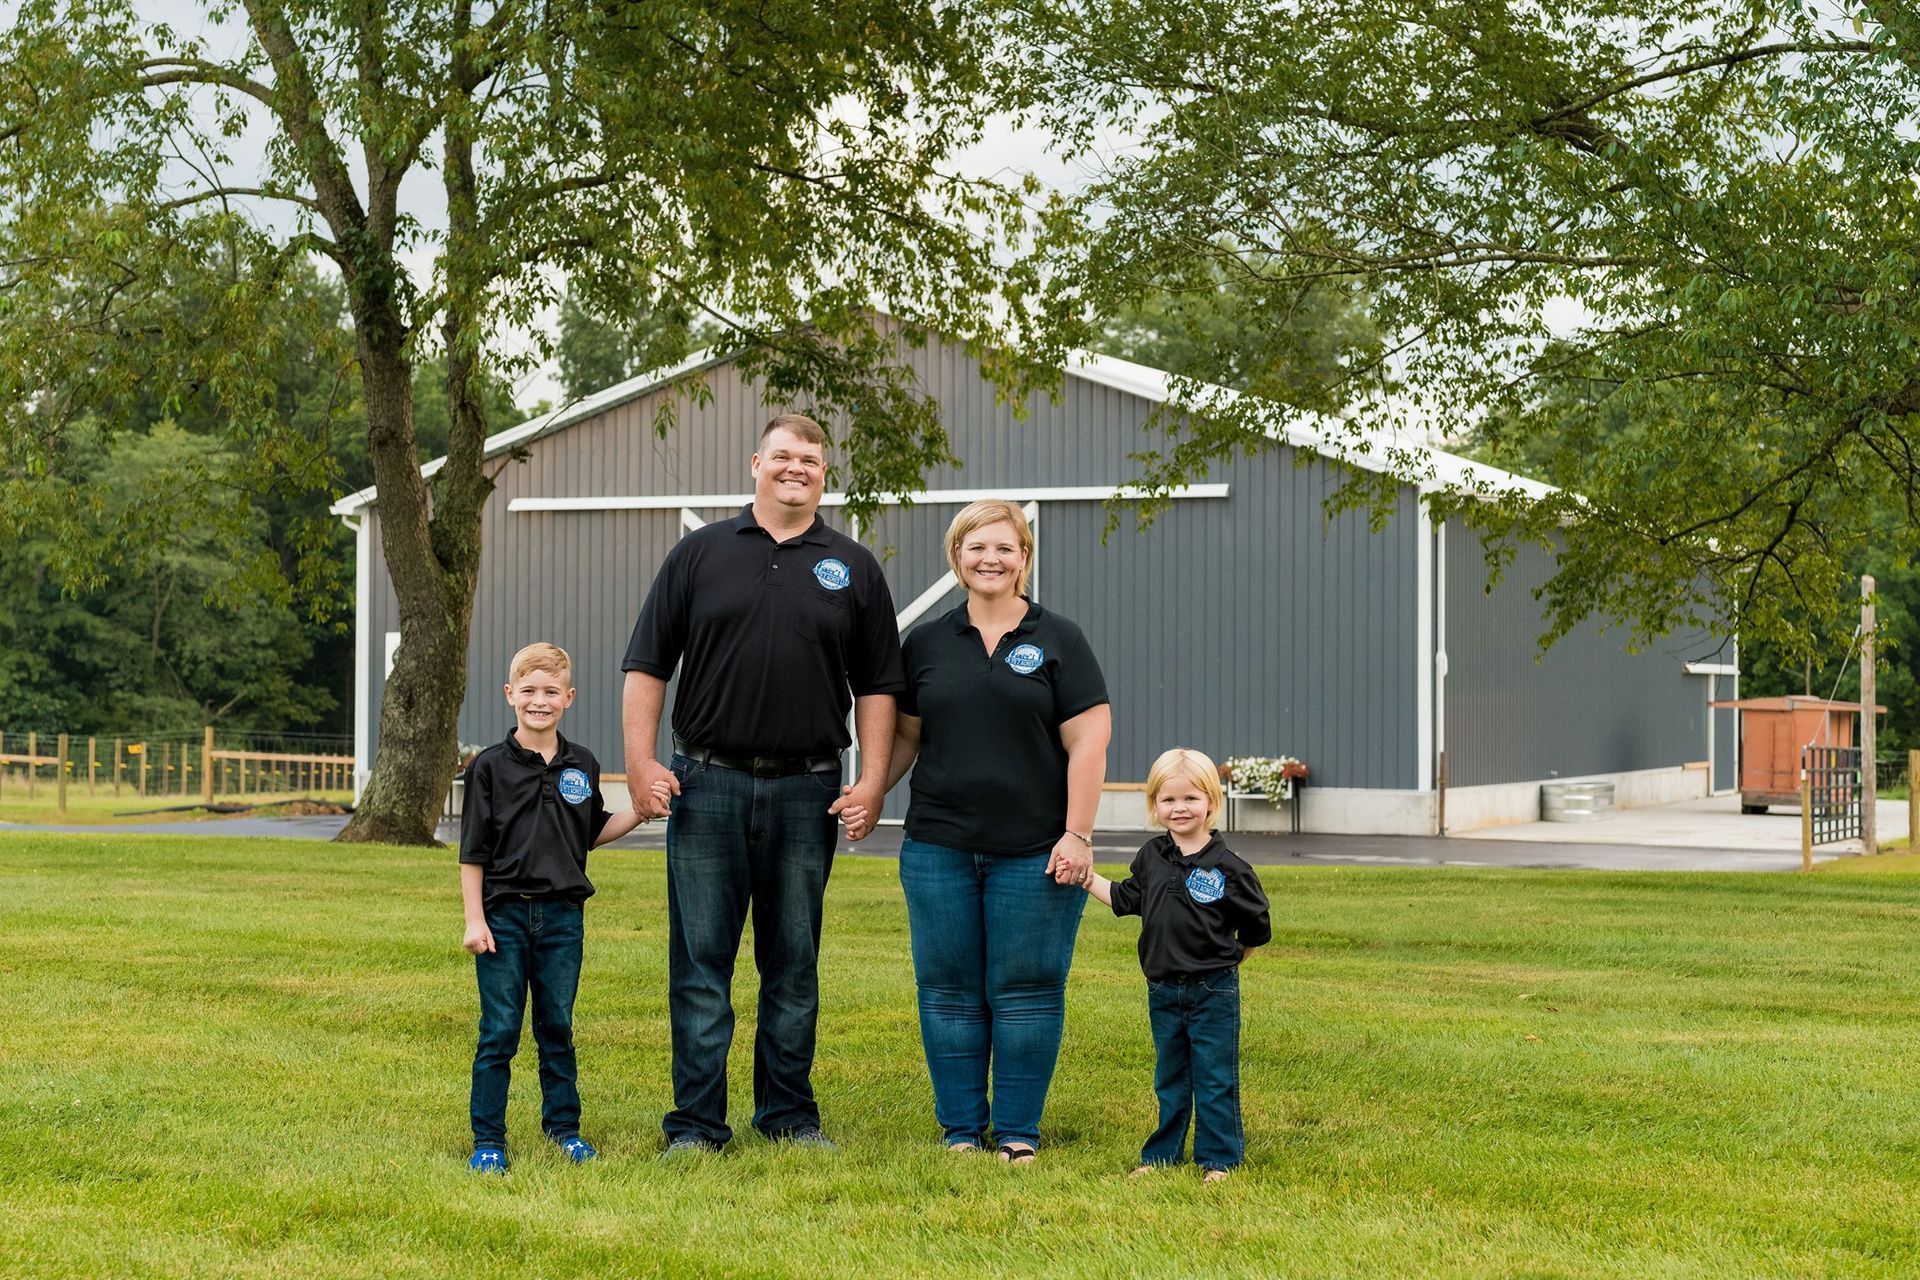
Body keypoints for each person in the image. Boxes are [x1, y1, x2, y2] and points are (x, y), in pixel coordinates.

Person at [621, 413, 904, 1155]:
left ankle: (787, 1118)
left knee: (793, 964)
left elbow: (879, 686)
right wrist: (642, 763)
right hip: (705, 783)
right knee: (701, 964)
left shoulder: (853, 567)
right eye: (783, 455)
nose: (796, 468)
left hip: (807, 790)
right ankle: (696, 1126)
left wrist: (873, 781)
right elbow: (648, 663)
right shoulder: (699, 555)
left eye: (810, 459)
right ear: (755, 463)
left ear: (823, 472)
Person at [845, 498, 1110, 1163]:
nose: (991, 559)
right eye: (976, 547)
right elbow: (905, 734)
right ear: (956, 556)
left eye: (1005, 547)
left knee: (1027, 992)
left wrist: (1077, 834)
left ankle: (1018, 1132)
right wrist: (872, 791)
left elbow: (1089, 741)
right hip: (939, 847)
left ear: (1024, 558)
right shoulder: (928, 642)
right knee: (948, 993)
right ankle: (961, 1131)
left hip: (1036, 851)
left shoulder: (1060, 640)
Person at [459, 642, 648, 1173]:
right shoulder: (489, 768)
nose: (538, 701)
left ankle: (564, 1129)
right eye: (528, 691)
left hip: (564, 917)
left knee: (556, 1026)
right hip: (504, 917)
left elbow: (591, 832)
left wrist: (639, 810)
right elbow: (472, 851)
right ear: (509, 695)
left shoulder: (580, 763)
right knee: (499, 1029)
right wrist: (475, 919)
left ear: (568, 697)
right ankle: (488, 1141)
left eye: (549, 692)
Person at [1079, 747, 1272, 1183]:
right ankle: (1162, 1155)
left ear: (1210, 803)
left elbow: (1257, 926)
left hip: (1213, 989)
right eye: (1168, 800)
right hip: (1162, 987)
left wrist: (1233, 959)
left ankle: (1219, 1160)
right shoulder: (1151, 856)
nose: (1180, 808)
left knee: (1214, 1075)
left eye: (1190, 799)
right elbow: (1127, 899)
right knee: (1171, 1075)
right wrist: (1088, 879)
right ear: (1154, 805)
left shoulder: (1229, 868)